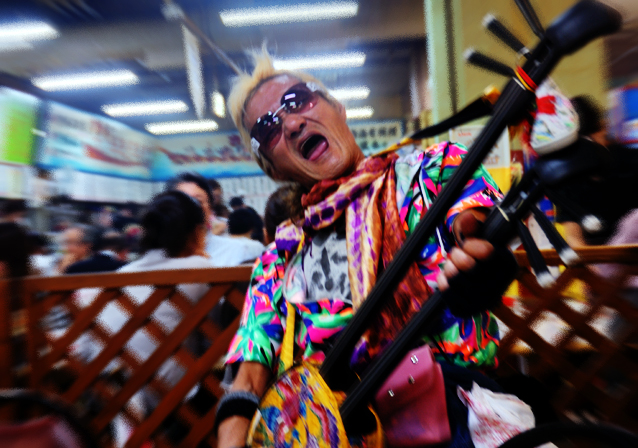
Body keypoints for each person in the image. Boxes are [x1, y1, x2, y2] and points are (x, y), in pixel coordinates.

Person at [217, 50, 503, 447]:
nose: (292, 123)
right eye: (268, 129)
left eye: (298, 100)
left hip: (456, 421)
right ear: (274, 169)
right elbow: (249, 379)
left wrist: (480, 252)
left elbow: (473, 224)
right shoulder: (280, 257)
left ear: (337, 107)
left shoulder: (431, 174)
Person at [73, 191, 214, 445]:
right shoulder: (201, 270)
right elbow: (218, 329)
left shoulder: (123, 273)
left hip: (104, 388)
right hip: (160, 395)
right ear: (196, 232)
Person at [555, 96, 638, 246]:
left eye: (589, 143)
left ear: (603, 127)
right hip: (596, 257)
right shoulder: (569, 180)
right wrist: (599, 263)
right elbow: (574, 239)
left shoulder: (632, 163)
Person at [167, 172, 264, 267]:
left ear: (210, 209)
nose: (190, 208)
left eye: (197, 201)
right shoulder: (161, 257)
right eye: (181, 201)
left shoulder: (239, 251)